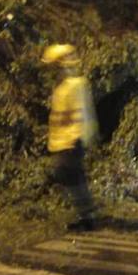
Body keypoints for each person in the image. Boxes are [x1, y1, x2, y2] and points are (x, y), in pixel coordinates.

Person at [42, 44, 100, 231]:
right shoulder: (63, 86)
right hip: (63, 140)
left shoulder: (75, 85)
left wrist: (75, 137)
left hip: (71, 141)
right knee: (72, 176)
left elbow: (81, 113)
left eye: (54, 66)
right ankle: (87, 213)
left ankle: (87, 216)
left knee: (70, 175)